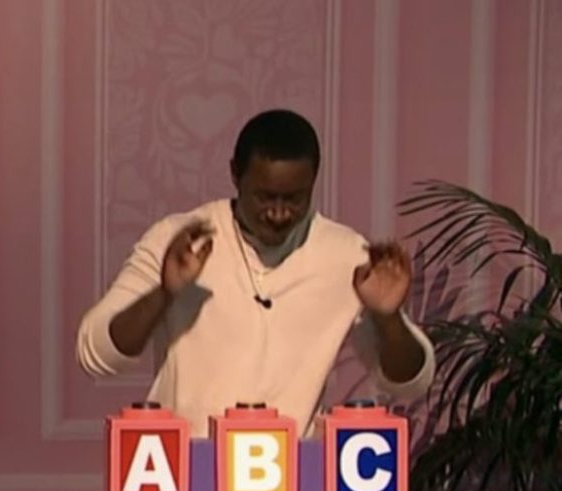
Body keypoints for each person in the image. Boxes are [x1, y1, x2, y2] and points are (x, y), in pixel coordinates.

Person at [75, 109, 434, 437]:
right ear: (235, 174)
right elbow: (96, 354)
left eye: (294, 199)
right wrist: (164, 295)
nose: (278, 213)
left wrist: (388, 319)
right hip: (185, 472)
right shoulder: (177, 240)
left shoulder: (346, 255)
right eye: (264, 197)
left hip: (294, 476)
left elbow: (410, 383)